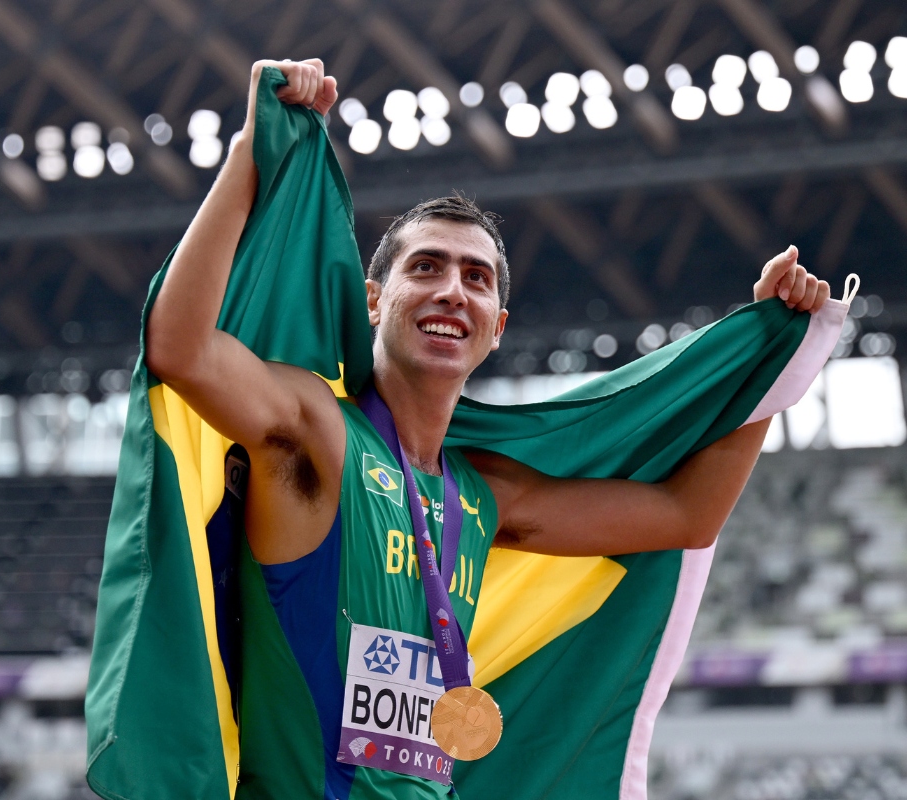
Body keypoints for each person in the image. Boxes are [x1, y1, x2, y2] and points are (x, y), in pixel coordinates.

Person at [145, 59, 831, 798]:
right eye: (427, 267)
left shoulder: (483, 496)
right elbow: (180, 351)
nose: (451, 290)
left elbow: (687, 516)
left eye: (477, 278)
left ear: (497, 327)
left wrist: (768, 371)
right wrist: (251, 151)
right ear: (374, 300)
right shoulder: (317, 434)